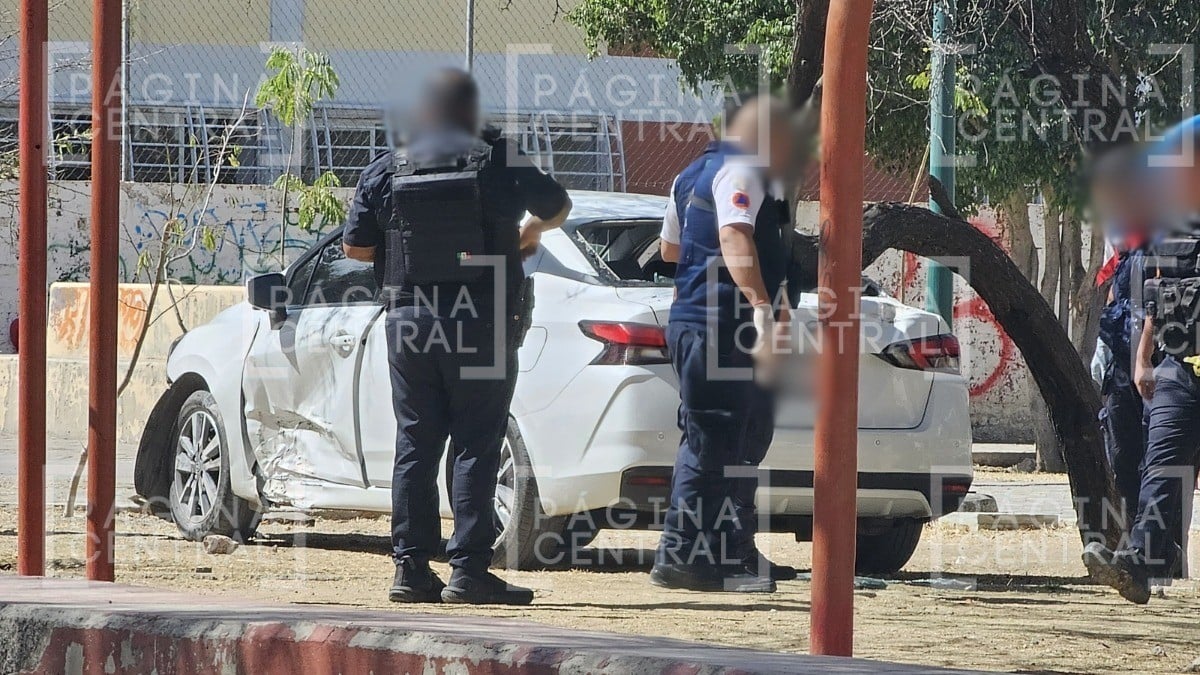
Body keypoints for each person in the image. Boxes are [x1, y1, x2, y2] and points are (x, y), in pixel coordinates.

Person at [342, 69, 571, 605]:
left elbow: (355, 249)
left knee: (415, 442)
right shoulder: (500, 157)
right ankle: (469, 570)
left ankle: (410, 570)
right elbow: (558, 205)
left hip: (411, 324)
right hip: (482, 323)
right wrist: (525, 235)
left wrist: (418, 254)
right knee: (476, 440)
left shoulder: (388, 166)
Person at [650, 96, 794, 593]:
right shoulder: (741, 170)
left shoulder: (690, 173)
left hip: (697, 323)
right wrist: (758, 302)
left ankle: (730, 553)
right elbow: (734, 238)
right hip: (723, 325)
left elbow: (669, 249)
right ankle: (681, 557)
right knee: (712, 443)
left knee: (736, 442)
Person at [1083, 115, 1200, 604]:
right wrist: (1144, 357)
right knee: (1161, 465)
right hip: (1179, 364)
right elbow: (1157, 292)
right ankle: (1141, 563)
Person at [1088, 142, 1153, 534]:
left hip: (1159, 369)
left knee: (1160, 461)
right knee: (1123, 456)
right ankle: (1133, 546)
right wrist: (1105, 353)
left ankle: (1160, 552)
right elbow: (1115, 295)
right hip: (1120, 367)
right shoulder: (1125, 252)